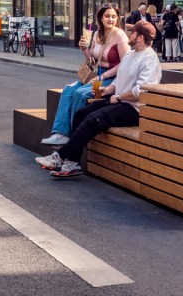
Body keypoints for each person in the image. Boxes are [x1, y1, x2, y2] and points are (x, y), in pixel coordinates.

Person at [36, 20, 162, 178]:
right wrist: (106, 90)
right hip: (120, 101)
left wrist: (118, 97)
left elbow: (141, 91)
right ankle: (73, 163)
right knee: (81, 114)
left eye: (133, 32)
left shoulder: (149, 59)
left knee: (94, 119)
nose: (130, 34)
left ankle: (60, 157)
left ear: (140, 38)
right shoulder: (131, 54)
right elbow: (119, 80)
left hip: (134, 108)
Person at [41, 4, 130, 146]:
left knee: (81, 94)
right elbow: (93, 62)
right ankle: (60, 133)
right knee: (69, 89)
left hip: (112, 79)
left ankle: (74, 136)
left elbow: (126, 62)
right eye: (107, 16)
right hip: (95, 76)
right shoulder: (96, 34)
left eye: (114, 16)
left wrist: (103, 76)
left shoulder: (119, 35)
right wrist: (84, 49)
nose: (111, 19)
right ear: (101, 18)